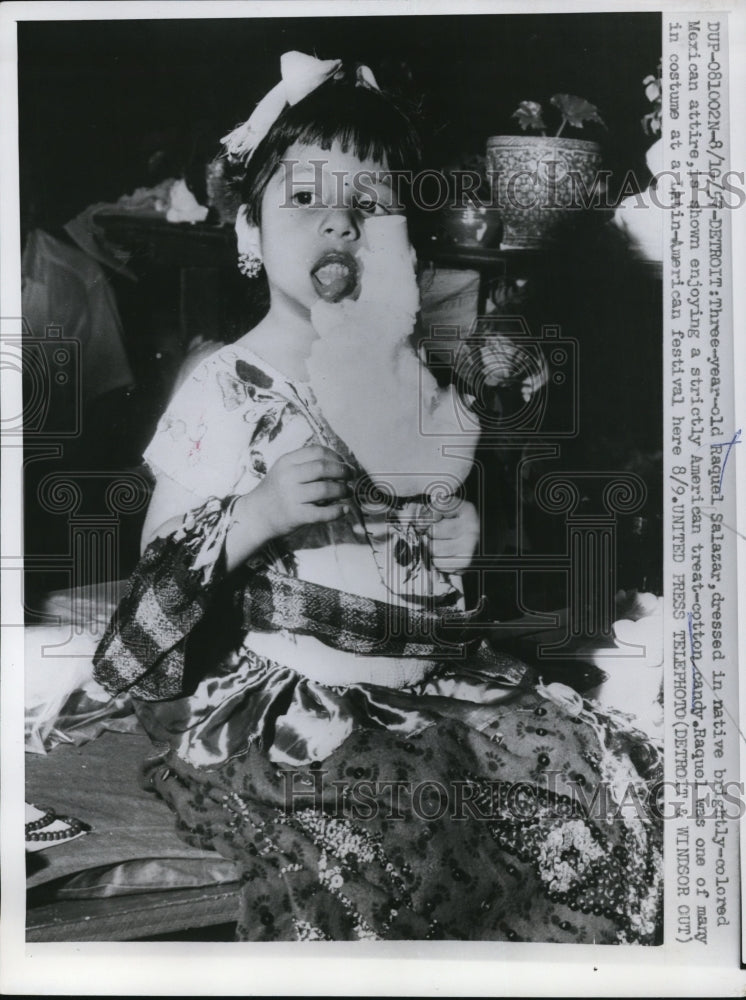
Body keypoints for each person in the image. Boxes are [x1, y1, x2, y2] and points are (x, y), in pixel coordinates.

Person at [94, 52, 663, 943]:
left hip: (429, 681)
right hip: (303, 699)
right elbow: (156, 578)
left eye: (368, 207)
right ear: (248, 230)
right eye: (307, 201)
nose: (341, 227)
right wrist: (262, 513)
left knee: (580, 789)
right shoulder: (226, 385)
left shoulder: (410, 378)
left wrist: (457, 539)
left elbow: (427, 542)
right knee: (393, 845)